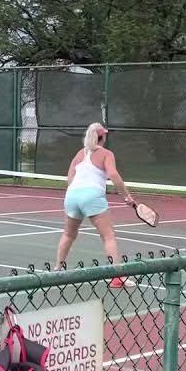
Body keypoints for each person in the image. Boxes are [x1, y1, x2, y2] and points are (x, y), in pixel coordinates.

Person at [56, 122, 135, 289]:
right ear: (102, 137)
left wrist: (77, 192)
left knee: (69, 234)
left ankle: (58, 269)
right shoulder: (106, 154)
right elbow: (113, 174)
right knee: (108, 236)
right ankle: (117, 277)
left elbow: (70, 176)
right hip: (91, 195)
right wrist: (127, 196)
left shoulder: (79, 154)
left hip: (72, 195)